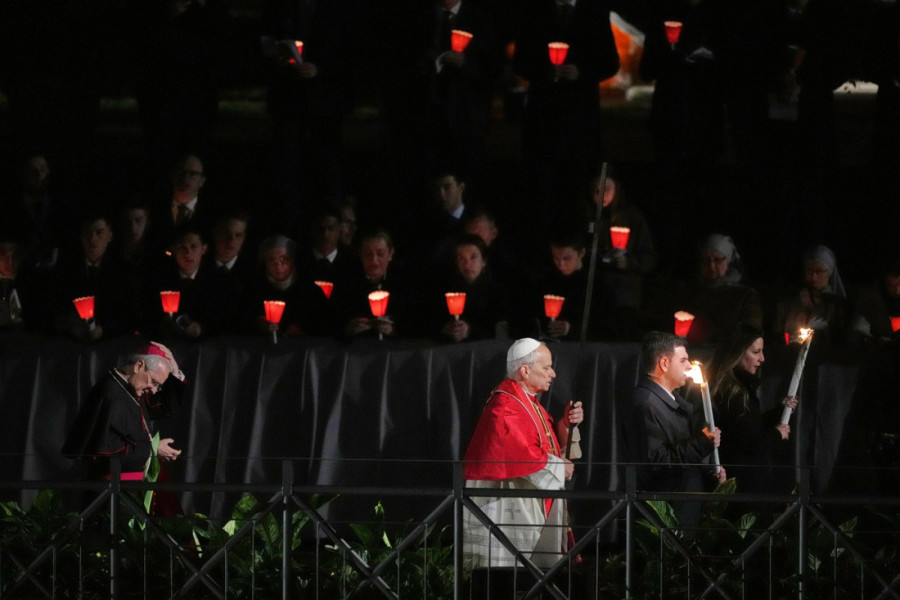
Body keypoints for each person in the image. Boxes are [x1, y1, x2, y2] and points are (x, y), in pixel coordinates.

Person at [463, 338, 583, 569]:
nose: (554, 374)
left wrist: (565, 426)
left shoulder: (528, 403)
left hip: (528, 501)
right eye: (546, 367)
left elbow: (545, 446)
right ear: (525, 370)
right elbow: (520, 454)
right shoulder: (504, 405)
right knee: (508, 575)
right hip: (507, 505)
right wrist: (559, 467)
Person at [622, 331, 726, 531]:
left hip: (680, 506)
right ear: (664, 363)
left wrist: (708, 469)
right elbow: (656, 463)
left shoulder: (671, 401)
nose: (689, 366)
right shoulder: (646, 404)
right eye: (684, 360)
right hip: (666, 517)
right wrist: (702, 444)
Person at [62, 342, 184, 481]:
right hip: (110, 489)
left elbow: (167, 409)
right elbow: (109, 451)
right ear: (139, 366)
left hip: (128, 485)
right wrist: (153, 449)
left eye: (159, 386)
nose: (154, 390)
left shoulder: (132, 388)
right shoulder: (112, 394)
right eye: (154, 382)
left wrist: (175, 371)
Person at [709, 324, 797, 499]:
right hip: (742, 486)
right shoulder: (731, 394)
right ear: (737, 353)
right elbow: (746, 444)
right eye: (756, 352)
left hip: (748, 482)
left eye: (762, 352)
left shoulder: (741, 388)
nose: (762, 359)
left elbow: (751, 426)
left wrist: (780, 411)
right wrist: (776, 434)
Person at [434, 234, 509, 342]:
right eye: (461, 258)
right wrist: (447, 329)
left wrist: (470, 331)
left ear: (483, 261)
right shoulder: (448, 290)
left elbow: (501, 331)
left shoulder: (497, 292)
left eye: (473, 257)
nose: (467, 264)